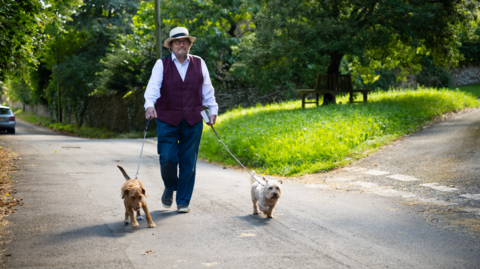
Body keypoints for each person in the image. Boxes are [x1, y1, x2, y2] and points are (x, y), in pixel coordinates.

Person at [144, 27, 218, 213]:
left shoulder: (199, 63)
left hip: (193, 120)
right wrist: (149, 105)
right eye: (177, 41)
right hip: (167, 118)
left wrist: (213, 109)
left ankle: (183, 201)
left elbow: (207, 89)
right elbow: (153, 87)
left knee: (188, 162)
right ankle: (170, 186)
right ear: (171, 46)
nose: (181, 44)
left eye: (185, 41)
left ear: (189, 44)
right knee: (167, 158)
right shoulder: (161, 65)